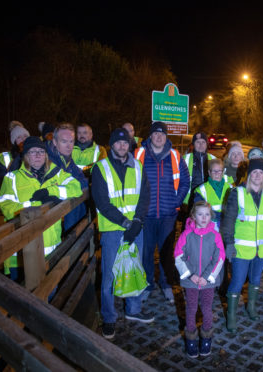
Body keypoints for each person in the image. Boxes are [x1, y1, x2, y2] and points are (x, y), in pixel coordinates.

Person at [91, 128, 153, 340]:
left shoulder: (138, 166)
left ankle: (133, 309)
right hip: (112, 230)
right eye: (117, 143)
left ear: (129, 144)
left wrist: (137, 222)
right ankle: (109, 318)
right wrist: (126, 222)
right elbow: (102, 201)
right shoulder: (100, 168)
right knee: (109, 275)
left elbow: (145, 196)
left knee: (135, 267)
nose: (122, 146)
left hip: (136, 228)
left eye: (125, 143)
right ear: (111, 145)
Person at [0, 136, 82, 279]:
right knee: (22, 297)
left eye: (41, 151)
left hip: (50, 248)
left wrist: (52, 192)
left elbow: (76, 188)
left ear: (46, 155)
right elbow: (7, 207)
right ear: (25, 156)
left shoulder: (56, 174)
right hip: (22, 253)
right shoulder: (12, 178)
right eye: (32, 151)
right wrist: (36, 205)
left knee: (50, 294)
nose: (37, 155)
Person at [221, 158, 263, 333]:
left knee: (255, 280)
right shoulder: (237, 193)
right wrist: (229, 244)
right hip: (241, 248)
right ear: (248, 175)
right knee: (238, 281)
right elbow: (228, 221)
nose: (257, 175)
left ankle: (251, 307)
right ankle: (231, 315)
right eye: (254, 172)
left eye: (260, 172)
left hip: (262, 248)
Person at [135, 121, 190, 303]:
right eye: (155, 134)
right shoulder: (139, 154)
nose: (159, 137)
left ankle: (166, 284)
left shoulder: (175, 156)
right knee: (146, 252)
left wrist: (176, 202)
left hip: (168, 214)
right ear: (150, 136)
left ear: (167, 137)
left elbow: (185, 181)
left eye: (162, 134)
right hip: (146, 214)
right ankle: (148, 284)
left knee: (167, 253)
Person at [174, 201, 225, 358]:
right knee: (191, 309)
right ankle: (191, 340)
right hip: (191, 281)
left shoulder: (215, 235)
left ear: (211, 216)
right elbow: (178, 256)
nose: (204, 217)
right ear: (193, 216)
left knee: (207, 309)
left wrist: (207, 277)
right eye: (200, 214)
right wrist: (192, 275)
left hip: (207, 282)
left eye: (207, 214)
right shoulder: (186, 235)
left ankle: (206, 338)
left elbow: (219, 257)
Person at [46, 123, 88, 231]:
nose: (69, 146)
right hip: (50, 218)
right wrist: (76, 185)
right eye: (64, 141)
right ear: (55, 142)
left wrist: (77, 185)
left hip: (68, 213)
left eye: (71, 141)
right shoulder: (47, 160)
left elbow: (81, 179)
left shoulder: (67, 158)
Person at [193, 158, 233, 228]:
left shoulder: (230, 188)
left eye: (219, 171)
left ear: (223, 172)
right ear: (209, 172)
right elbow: (199, 211)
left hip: (226, 225)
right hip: (208, 225)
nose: (217, 174)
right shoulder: (201, 190)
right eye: (214, 171)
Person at [0, 121, 30, 190]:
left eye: (25, 136)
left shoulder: (36, 154)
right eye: (19, 137)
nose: (23, 139)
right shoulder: (5, 158)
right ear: (14, 141)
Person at [182, 132, 215, 206]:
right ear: (193, 144)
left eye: (203, 142)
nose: (201, 145)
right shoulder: (185, 159)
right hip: (189, 201)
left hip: (209, 200)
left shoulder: (213, 159)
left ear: (207, 144)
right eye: (198, 142)